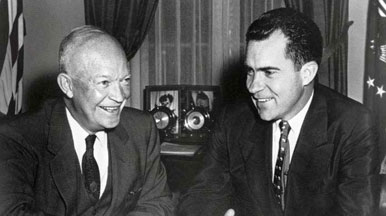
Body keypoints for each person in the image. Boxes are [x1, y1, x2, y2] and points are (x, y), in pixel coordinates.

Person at [177, 8, 380, 216]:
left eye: (269, 72)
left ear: (307, 73)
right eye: (250, 71)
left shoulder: (354, 125)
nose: (253, 86)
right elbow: (200, 196)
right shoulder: (233, 119)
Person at [0, 25, 174, 215]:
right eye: (104, 83)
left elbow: (158, 204)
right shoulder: (17, 137)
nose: (120, 95)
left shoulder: (141, 128)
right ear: (67, 85)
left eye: (125, 80)